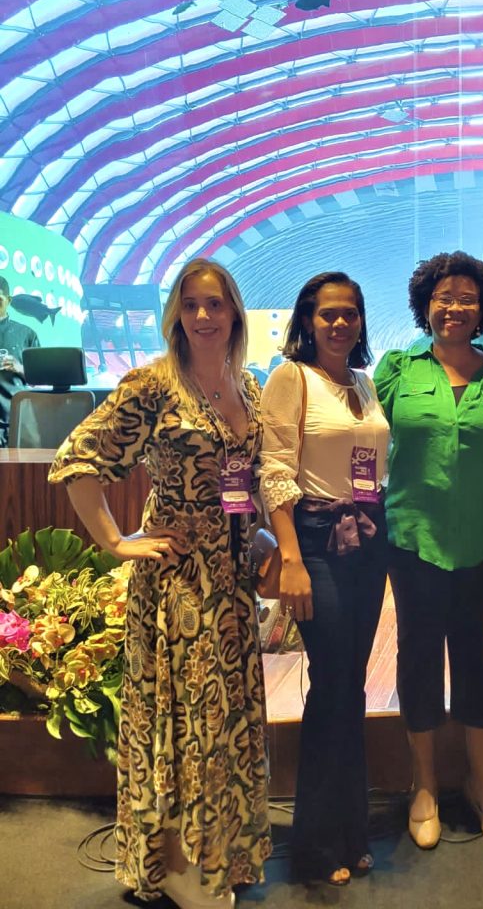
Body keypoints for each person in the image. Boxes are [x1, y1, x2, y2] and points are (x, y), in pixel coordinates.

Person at [48, 258, 270, 908]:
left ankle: (219, 854)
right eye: (191, 304)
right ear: (175, 314)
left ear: (234, 313)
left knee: (223, 723)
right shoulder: (153, 385)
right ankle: (175, 866)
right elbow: (76, 460)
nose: (203, 315)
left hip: (232, 583)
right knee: (181, 725)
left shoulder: (246, 385)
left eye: (215, 303)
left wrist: (259, 535)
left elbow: (248, 478)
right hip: (180, 584)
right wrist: (117, 542)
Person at [374, 251, 483, 852]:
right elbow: (360, 440)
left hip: (482, 540)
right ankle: (424, 786)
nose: (455, 307)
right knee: (418, 655)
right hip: (411, 538)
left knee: (476, 655)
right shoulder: (397, 371)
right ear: (426, 305)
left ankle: (482, 784)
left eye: (468, 298)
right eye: (444, 297)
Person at [259, 271, 390, 886]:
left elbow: (370, 466)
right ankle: (314, 843)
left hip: (368, 537)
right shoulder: (292, 378)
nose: (340, 323)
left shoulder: (363, 383)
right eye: (327, 313)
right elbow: (274, 471)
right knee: (332, 683)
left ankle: (351, 830)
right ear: (307, 321)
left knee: (350, 687)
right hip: (314, 541)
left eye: (350, 313)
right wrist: (290, 558)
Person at [0, 275, 40, 446]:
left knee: (23, 463)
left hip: (17, 420)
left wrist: (19, 367)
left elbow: (39, 378)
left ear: (8, 300)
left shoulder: (26, 334)